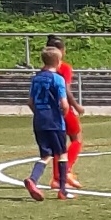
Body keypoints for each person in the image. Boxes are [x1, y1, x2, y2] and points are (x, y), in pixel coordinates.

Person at [22, 46, 73, 202]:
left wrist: (39, 113)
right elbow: (64, 104)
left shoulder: (36, 78)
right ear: (58, 61)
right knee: (62, 154)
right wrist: (63, 115)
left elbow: (30, 102)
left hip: (39, 121)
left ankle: (33, 179)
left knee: (46, 155)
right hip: (55, 121)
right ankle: (63, 190)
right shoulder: (58, 79)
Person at [45, 36, 84, 190]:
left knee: (58, 144)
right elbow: (66, 90)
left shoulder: (43, 70)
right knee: (77, 138)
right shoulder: (64, 67)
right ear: (61, 50)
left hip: (48, 110)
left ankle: (56, 178)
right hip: (63, 108)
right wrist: (76, 105)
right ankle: (65, 171)